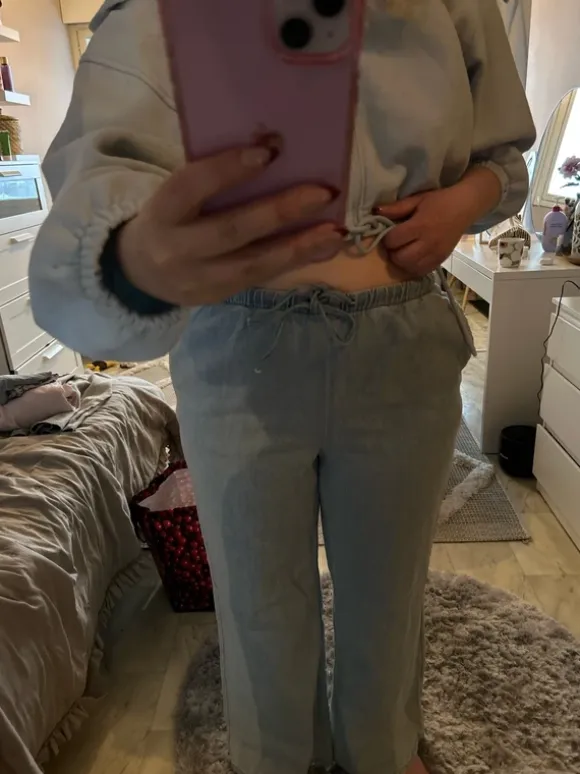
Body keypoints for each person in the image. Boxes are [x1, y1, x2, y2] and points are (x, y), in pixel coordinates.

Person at [29, 1, 535, 772]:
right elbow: (101, 176)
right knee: (257, 603)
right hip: (237, 344)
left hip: (401, 340)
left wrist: (462, 203)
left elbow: (504, 159)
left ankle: (382, 755)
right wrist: (134, 257)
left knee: (389, 595)